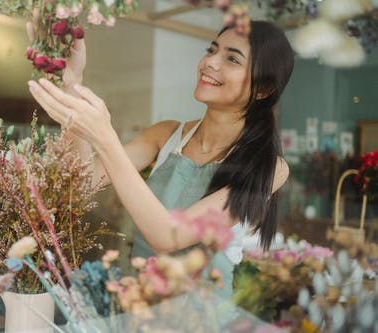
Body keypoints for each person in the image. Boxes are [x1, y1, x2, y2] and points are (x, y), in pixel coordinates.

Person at [28, 20, 294, 299]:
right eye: (211, 50)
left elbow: (169, 236)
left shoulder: (270, 167)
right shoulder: (167, 135)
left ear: (262, 89)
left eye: (231, 58)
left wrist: (105, 137)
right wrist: (72, 85)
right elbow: (80, 188)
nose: (210, 62)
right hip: (139, 307)